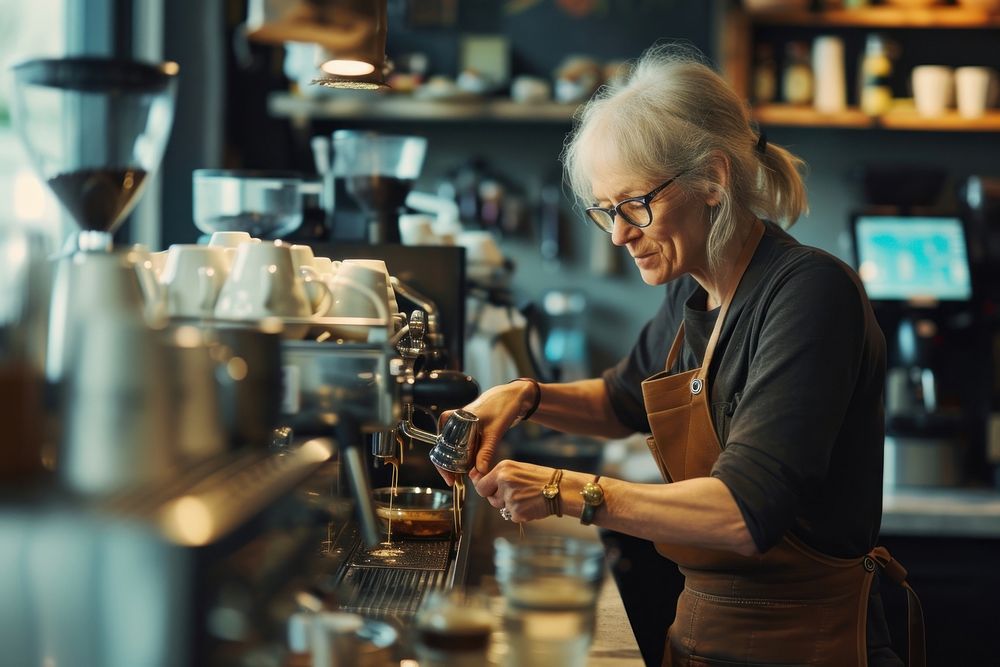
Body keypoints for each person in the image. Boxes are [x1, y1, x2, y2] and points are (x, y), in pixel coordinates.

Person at [437, 45, 922, 666]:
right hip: (701, 638)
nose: (618, 234)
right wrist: (524, 396)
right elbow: (618, 403)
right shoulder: (694, 294)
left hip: (808, 646)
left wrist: (563, 490)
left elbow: (744, 511)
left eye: (635, 204)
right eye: (606, 211)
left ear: (713, 180)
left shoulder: (809, 293)